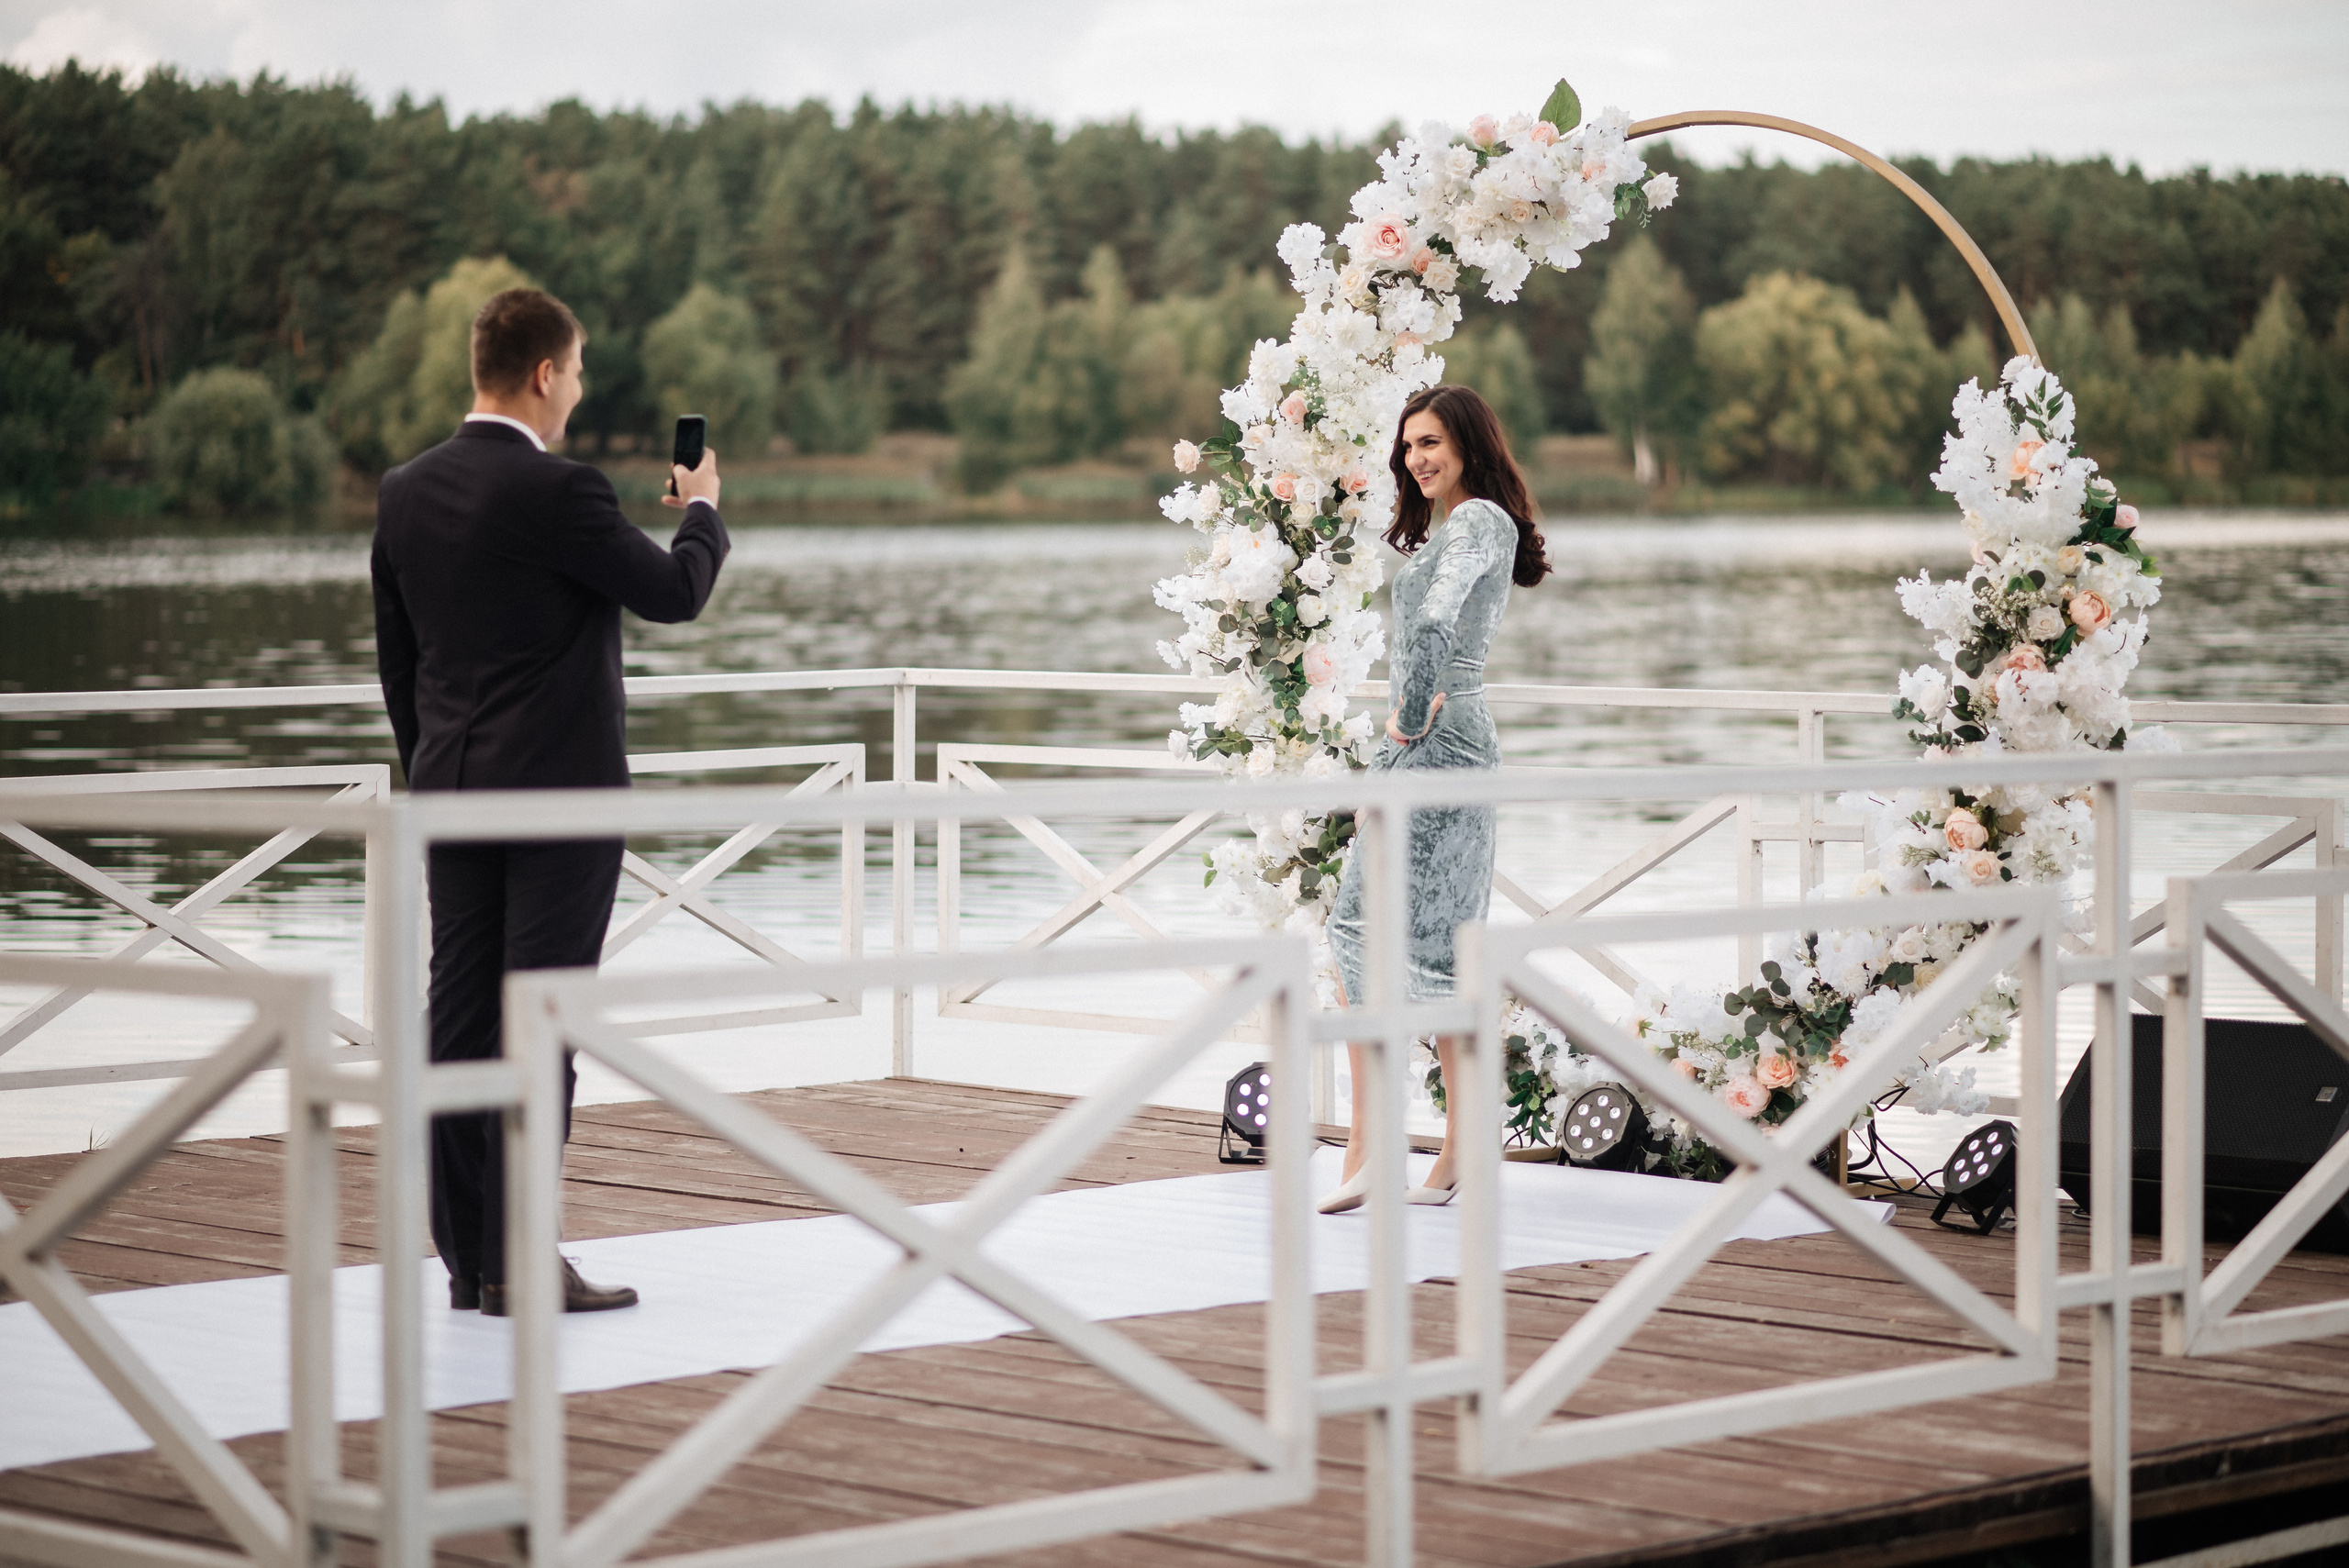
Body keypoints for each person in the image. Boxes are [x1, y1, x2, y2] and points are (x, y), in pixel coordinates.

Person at [372, 287, 730, 1313]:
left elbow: (399, 665)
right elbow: (674, 593)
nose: (575, 392)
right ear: (541, 374)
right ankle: (521, 1262)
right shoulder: (559, 491)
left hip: (451, 792)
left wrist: (436, 769)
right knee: (541, 1025)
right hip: (562, 804)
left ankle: (472, 1262)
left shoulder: (406, 490)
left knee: (460, 1021)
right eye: (573, 373)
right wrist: (703, 508)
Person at [1318, 384, 1551, 1214]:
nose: (1417, 458)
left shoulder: (1478, 520)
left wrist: (1409, 714)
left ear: (1469, 445)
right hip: (1445, 743)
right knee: (1429, 952)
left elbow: (1434, 628)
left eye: (1432, 443)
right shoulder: (1469, 525)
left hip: (1437, 743)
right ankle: (1448, 1150)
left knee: (1360, 929)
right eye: (1409, 445)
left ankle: (1374, 1144)